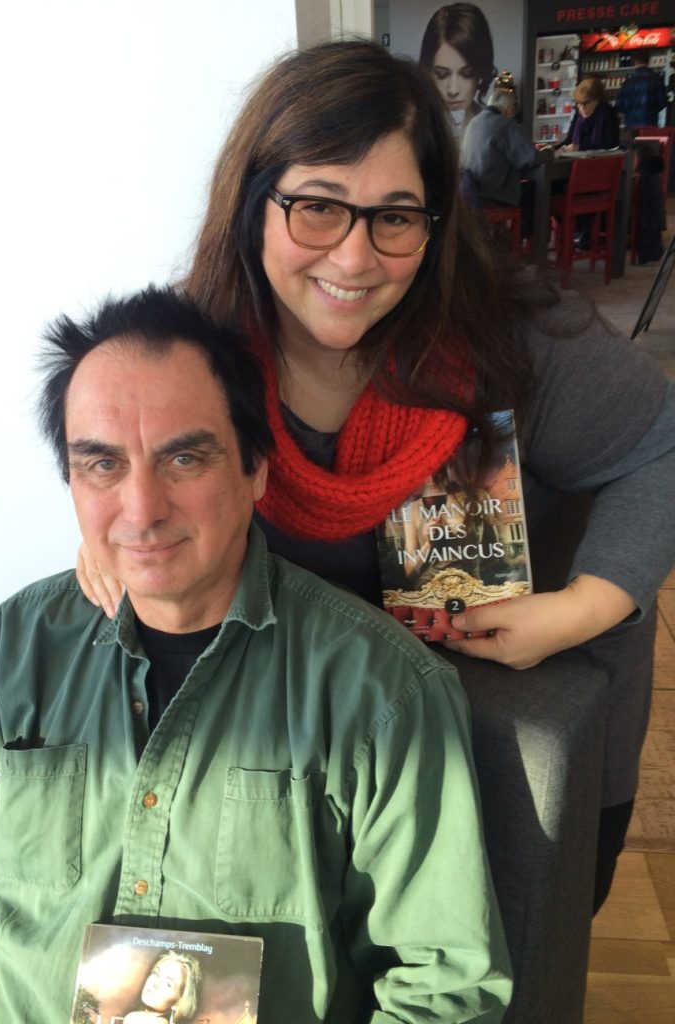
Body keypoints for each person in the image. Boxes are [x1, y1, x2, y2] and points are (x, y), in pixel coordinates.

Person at [76, 40, 675, 915]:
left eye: (395, 217)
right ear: (253, 203)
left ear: (435, 221)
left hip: (517, 720)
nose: (355, 259)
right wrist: (120, 531)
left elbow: (660, 445)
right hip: (325, 744)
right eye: (318, 207)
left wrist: (583, 608)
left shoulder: (516, 332)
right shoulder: (196, 354)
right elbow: (122, 454)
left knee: (519, 949)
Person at [0, 286, 511, 1023]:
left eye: (184, 458)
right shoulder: (17, 646)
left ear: (256, 468)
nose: (141, 511)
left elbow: (445, 990)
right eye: (102, 465)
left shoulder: (383, 689)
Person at [460, 77, 539, 233]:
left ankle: (505, 235)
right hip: (495, 194)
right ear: (509, 109)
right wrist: (549, 153)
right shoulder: (504, 123)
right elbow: (529, 157)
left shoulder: (474, 121)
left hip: (473, 193)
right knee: (534, 191)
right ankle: (528, 237)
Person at [419, 3, 496, 142]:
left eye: (467, 74)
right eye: (441, 75)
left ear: (480, 71)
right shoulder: (415, 128)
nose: (453, 90)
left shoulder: (495, 130)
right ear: (427, 71)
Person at [124, 951, 201, 1023]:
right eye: (156, 974)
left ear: (178, 1003)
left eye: (168, 984)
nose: (155, 984)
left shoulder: (134, 1019)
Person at [557, 77, 620, 152]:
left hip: (601, 157)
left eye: (586, 103)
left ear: (597, 100)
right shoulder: (579, 113)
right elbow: (568, 140)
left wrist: (580, 148)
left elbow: (612, 144)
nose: (582, 108)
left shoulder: (608, 112)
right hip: (579, 156)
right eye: (579, 104)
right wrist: (553, 148)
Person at [614, 50, 667, 130]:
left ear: (634, 61)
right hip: (650, 124)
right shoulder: (657, 80)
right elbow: (663, 102)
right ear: (648, 60)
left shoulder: (627, 82)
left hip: (631, 125)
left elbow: (619, 106)